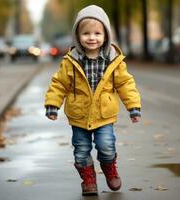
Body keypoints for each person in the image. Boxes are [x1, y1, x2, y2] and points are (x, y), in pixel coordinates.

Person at [44, 5, 141, 196]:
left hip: (105, 115)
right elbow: (59, 84)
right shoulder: (71, 61)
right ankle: (88, 180)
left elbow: (125, 84)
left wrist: (133, 107)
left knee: (106, 146)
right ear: (77, 36)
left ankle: (109, 168)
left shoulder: (113, 60)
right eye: (86, 33)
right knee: (81, 151)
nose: (92, 37)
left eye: (97, 33)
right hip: (79, 116)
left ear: (106, 35)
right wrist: (52, 105)